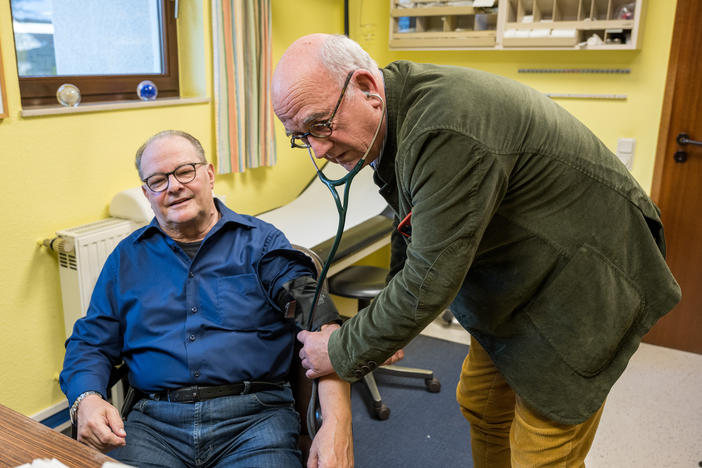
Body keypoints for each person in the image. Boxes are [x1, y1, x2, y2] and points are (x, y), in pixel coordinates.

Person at [271, 33, 681, 467]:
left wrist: (340, 350)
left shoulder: (444, 127)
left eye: (320, 125)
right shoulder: (399, 114)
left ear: (367, 89)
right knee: (481, 404)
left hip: (585, 282)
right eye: (300, 136)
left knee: (541, 448)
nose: (317, 149)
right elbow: (411, 220)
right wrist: (379, 326)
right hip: (519, 278)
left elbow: (429, 281)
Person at [60, 130, 353, 468]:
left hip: (254, 420)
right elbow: (90, 342)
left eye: (185, 171)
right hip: (154, 424)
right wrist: (87, 399)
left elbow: (315, 314)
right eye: (157, 180)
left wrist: (335, 421)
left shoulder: (262, 243)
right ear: (146, 194)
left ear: (209, 174)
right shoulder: (126, 259)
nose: (173, 186)